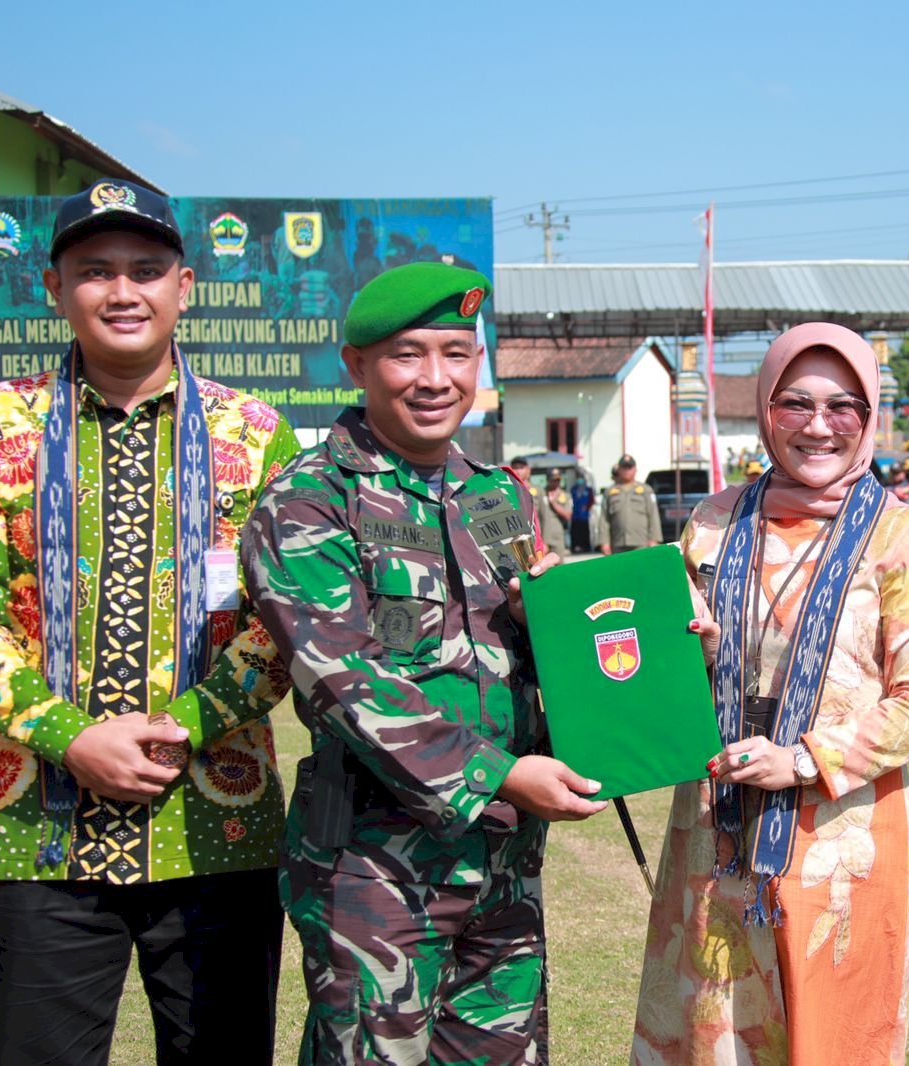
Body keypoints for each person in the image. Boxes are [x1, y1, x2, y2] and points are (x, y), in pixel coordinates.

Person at [243, 262, 608, 1064]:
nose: (436, 378)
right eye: (409, 355)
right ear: (358, 365)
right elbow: (345, 680)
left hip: (504, 867)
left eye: (456, 353)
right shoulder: (309, 502)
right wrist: (503, 777)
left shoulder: (499, 496)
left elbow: (545, 656)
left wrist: (601, 644)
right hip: (376, 871)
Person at [0, 179, 299, 1065]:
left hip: (212, 827)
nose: (123, 292)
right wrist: (71, 737)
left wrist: (180, 727)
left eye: (146, 270)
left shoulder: (257, 432)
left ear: (184, 287)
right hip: (33, 835)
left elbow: (284, 622)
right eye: (96, 271)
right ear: (53, 287)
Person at [631, 321, 909, 1066]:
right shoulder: (714, 523)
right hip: (715, 836)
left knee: (832, 1038)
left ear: (870, 415)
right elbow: (666, 662)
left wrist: (804, 761)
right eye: (796, 404)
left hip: (840, 837)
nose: (819, 426)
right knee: (711, 1035)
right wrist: (697, 657)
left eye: (843, 405)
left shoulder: (902, 537)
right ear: (764, 409)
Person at [595, 454, 661, 554]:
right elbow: (604, 519)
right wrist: (604, 542)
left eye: (629, 468)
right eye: (624, 468)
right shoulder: (610, 492)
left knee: (640, 569)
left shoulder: (646, 490)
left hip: (641, 543)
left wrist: (654, 539)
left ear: (635, 470)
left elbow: (653, 515)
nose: (627, 471)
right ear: (619, 470)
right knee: (619, 569)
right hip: (617, 543)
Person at [542, 467, 573, 548]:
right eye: (553, 480)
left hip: (557, 535)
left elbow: (568, 515)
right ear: (548, 480)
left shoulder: (565, 495)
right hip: (542, 534)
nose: (556, 482)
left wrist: (554, 503)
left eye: (558, 480)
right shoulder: (541, 493)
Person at [570, 473, 594, 552]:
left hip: (584, 515)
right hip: (575, 515)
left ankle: (586, 547)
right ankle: (575, 547)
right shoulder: (573, 489)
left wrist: (587, 507)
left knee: (585, 531)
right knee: (576, 532)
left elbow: (592, 500)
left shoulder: (588, 489)